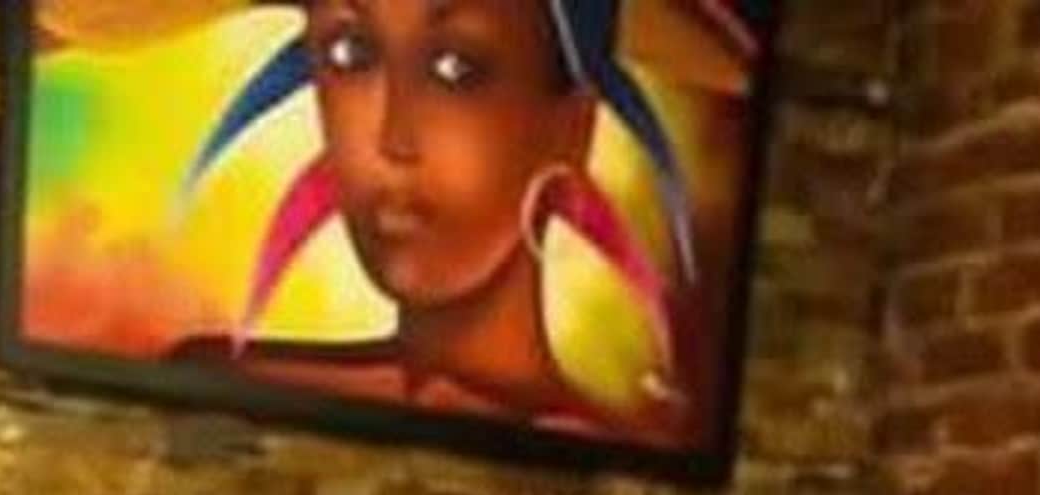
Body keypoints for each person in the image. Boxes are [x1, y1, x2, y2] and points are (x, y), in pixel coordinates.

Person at [175, 0, 722, 442]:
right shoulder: (215, 379)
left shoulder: (605, 454)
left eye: (455, 67)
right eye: (349, 52)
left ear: (573, 128)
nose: (394, 139)